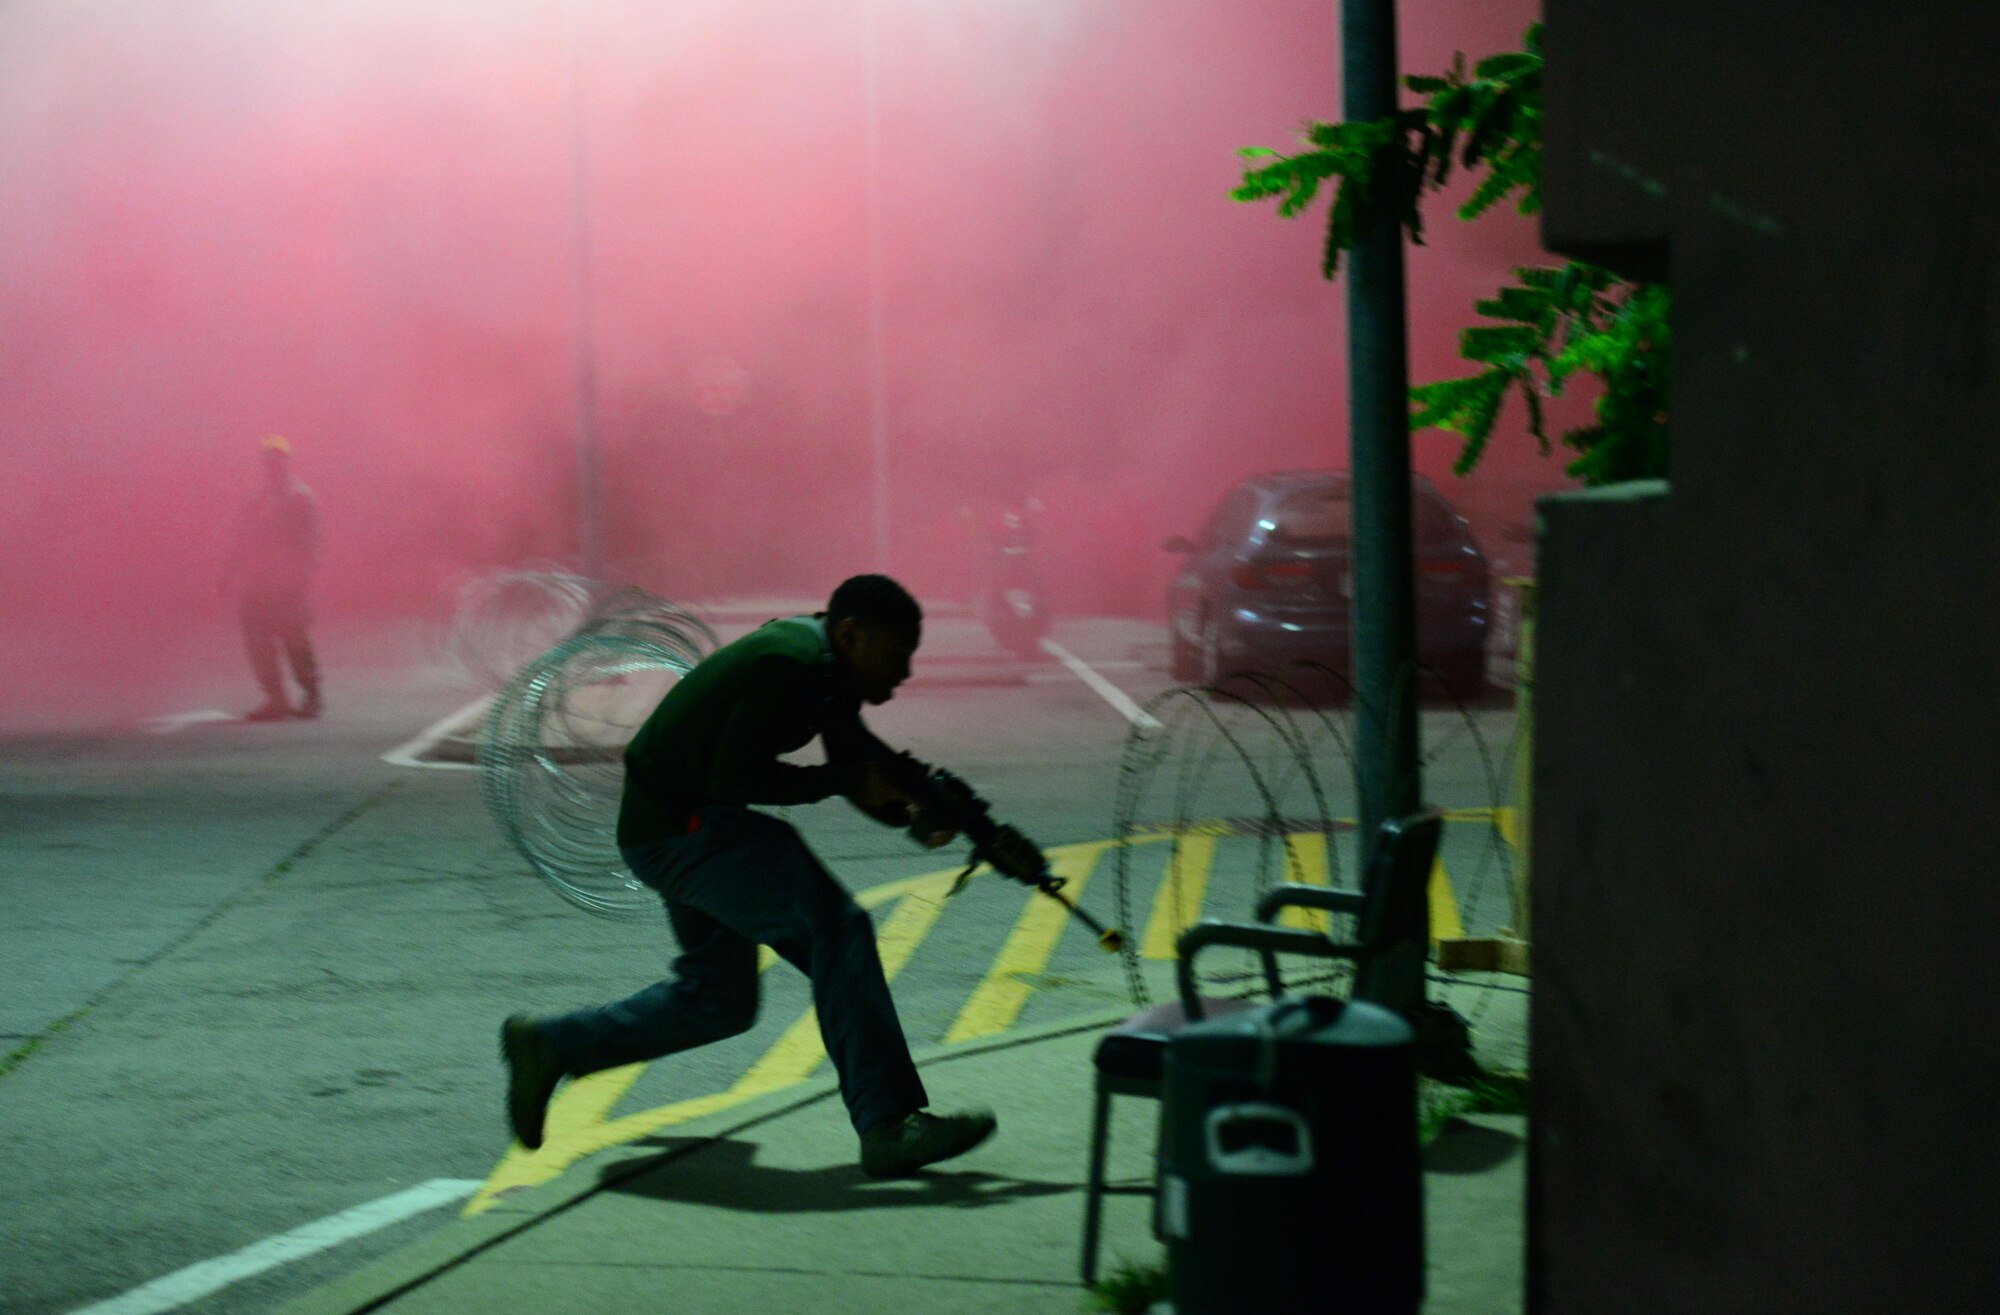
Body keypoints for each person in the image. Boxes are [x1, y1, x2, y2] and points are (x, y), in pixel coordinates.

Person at [499, 575, 999, 1178]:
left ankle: (553, 1044)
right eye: (896, 654)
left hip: (677, 826)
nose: (905, 672)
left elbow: (855, 758)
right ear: (850, 634)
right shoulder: (789, 665)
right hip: (684, 828)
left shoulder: (824, 667)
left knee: (722, 1000)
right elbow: (734, 777)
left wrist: (919, 807)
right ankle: (889, 1124)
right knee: (838, 930)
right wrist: (850, 782)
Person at [220, 435, 321, 720]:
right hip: (258, 580)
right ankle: (275, 698)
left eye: (279, 458)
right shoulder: (256, 499)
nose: (274, 463)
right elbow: (241, 539)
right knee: (257, 641)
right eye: (270, 458)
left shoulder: (300, 497)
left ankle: (311, 694)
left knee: (294, 638)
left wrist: (304, 574)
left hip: (288, 580)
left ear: (287, 461)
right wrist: (229, 572)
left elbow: (312, 540)